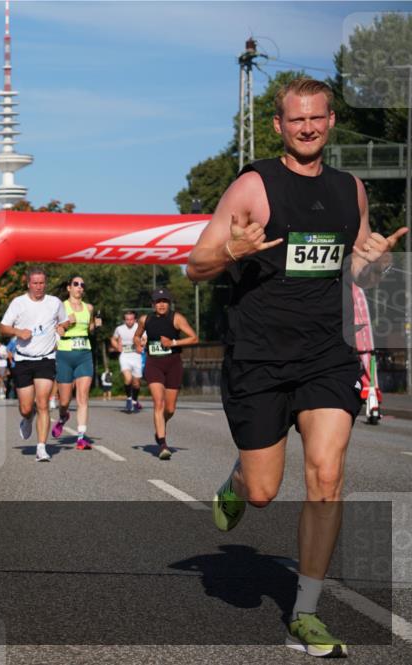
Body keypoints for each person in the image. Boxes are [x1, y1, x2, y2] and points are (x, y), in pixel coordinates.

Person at [188, 78, 406, 657]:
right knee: (262, 491)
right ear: (279, 126)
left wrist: (377, 266)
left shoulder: (350, 190)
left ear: (330, 121)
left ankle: (305, 612)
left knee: (327, 475)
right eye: (295, 120)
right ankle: (237, 481)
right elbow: (195, 265)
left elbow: (356, 269)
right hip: (259, 354)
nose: (306, 128)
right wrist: (231, 250)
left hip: (327, 353)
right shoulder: (254, 186)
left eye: (316, 118)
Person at [0, 267, 68, 462]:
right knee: (27, 407)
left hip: (46, 358)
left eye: (42, 283)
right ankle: (27, 418)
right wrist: (18, 332)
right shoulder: (18, 303)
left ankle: (41, 448)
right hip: (23, 359)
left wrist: (62, 328)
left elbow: (63, 322)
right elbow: (3, 327)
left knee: (43, 403)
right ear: (28, 283)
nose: (39, 287)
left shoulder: (54, 303)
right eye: (35, 283)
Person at [134, 288, 197, 460]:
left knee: (170, 408)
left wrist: (174, 342)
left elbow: (194, 338)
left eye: (165, 301)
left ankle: (161, 425)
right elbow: (137, 336)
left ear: (169, 303)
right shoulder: (145, 319)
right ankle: (162, 443)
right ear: (152, 304)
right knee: (159, 403)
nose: (161, 305)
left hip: (173, 364)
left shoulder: (176, 318)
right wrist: (138, 344)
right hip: (153, 364)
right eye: (158, 302)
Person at [51, 275, 100, 449]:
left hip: (84, 354)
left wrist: (97, 325)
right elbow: (56, 329)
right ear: (69, 288)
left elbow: (88, 328)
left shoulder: (89, 307)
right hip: (64, 354)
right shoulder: (60, 306)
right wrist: (64, 325)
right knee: (64, 401)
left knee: (83, 397)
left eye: (82, 284)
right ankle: (63, 417)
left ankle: (81, 436)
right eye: (76, 284)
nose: (80, 287)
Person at [111, 311, 144, 413]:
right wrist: (117, 346)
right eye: (127, 319)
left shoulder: (139, 328)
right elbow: (113, 339)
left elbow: (145, 339)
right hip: (125, 355)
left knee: (136, 383)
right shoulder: (119, 329)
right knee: (128, 378)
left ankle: (134, 401)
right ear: (124, 320)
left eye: (131, 319)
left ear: (135, 320)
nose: (129, 321)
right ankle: (129, 399)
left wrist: (141, 345)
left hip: (137, 356)